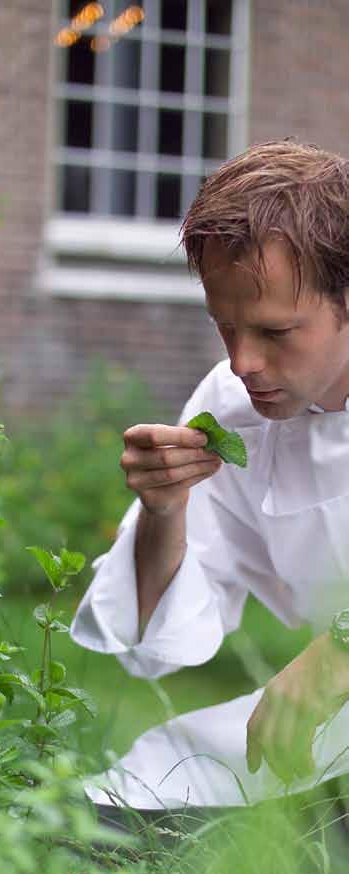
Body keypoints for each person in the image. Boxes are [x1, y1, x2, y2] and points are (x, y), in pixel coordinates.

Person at [70, 139, 349, 815]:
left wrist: (335, 655)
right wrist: (165, 510)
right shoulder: (229, 404)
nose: (242, 361)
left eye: (274, 331)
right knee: (120, 809)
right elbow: (158, 645)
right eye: (225, 326)